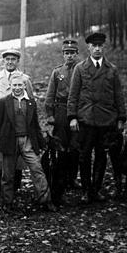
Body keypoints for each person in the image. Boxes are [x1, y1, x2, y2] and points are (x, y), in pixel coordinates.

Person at [67, 33, 126, 204]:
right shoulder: (80, 68)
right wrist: (72, 117)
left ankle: (96, 189)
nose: (98, 49)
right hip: (86, 119)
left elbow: (118, 95)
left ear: (104, 48)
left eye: (100, 46)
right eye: (94, 46)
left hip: (106, 120)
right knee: (84, 156)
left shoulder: (111, 69)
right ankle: (86, 190)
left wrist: (121, 118)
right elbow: (73, 95)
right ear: (89, 48)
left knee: (101, 155)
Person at [0, 73, 56, 212]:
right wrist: (6, 138)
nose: (17, 88)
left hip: (27, 141)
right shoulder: (4, 102)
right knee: (8, 174)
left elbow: (35, 124)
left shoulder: (30, 102)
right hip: (10, 141)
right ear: (10, 86)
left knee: (37, 169)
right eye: (14, 85)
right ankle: (7, 203)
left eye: (20, 85)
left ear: (24, 86)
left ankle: (45, 200)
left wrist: (40, 142)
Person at [0, 49, 32, 197]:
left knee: (17, 149)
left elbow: (30, 101)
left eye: (13, 59)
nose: (10, 62)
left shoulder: (24, 79)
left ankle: (15, 186)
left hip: (18, 120)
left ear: (17, 61)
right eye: (7, 59)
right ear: (3, 61)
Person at [45, 39, 81, 199]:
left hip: (78, 112)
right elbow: (50, 95)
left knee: (76, 146)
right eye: (67, 53)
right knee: (61, 146)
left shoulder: (82, 70)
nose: (69, 56)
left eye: (72, 53)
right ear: (63, 55)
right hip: (60, 111)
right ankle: (61, 179)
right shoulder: (57, 72)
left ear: (76, 54)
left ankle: (72, 178)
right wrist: (50, 115)